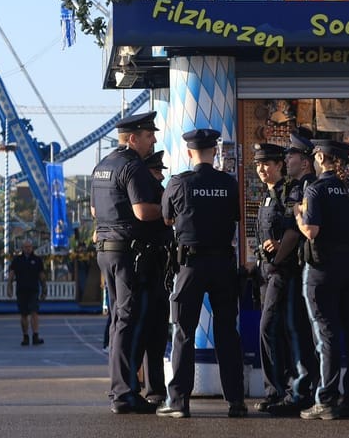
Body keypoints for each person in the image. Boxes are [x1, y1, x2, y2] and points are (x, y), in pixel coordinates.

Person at [156, 129, 246, 419]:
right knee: (227, 333)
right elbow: (236, 217)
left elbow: (167, 217)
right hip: (223, 265)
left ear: (189, 152)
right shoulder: (228, 184)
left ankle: (179, 401)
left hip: (190, 266)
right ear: (214, 152)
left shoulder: (179, 182)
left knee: (183, 331)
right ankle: (236, 401)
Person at [90, 110, 167, 415]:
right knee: (129, 320)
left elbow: (96, 212)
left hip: (105, 250)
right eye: (149, 136)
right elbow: (142, 212)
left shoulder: (102, 166)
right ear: (133, 138)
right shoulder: (132, 166)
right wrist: (172, 211)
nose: (153, 140)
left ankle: (121, 389)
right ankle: (124, 393)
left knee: (118, 321)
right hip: (127, 254)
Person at [297, 140, 349, 420]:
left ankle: (326, 399)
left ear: (321, 157)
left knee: (326, 334)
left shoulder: (316, 189)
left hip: (324, 267)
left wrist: (298, 215)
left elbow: (311, 230)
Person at [253, 141, 313, 415]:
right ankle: (275, 391)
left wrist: (277, 255)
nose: (261, 168)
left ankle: (288, 390)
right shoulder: (266, 196)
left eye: (267, 163)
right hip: (266, 272)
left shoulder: (291, 191)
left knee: (276, 328)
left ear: (279, 165)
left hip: (284, 270)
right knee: (272, 330)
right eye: (258, 164)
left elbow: (292, 231)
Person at [9, 239, 46, 345]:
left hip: (33, 290)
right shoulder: (17, 260)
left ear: (32, 248)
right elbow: (12, 274)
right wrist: (9, 287)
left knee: (34, 312)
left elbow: (42, 275)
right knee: (24, 314)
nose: (27, 249)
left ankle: (35, 336)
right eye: (25, 247)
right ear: (22, 248)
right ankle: (25, 336)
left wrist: (44, 289)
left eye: (29, 247)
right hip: (21, 290)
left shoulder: (37, 260)